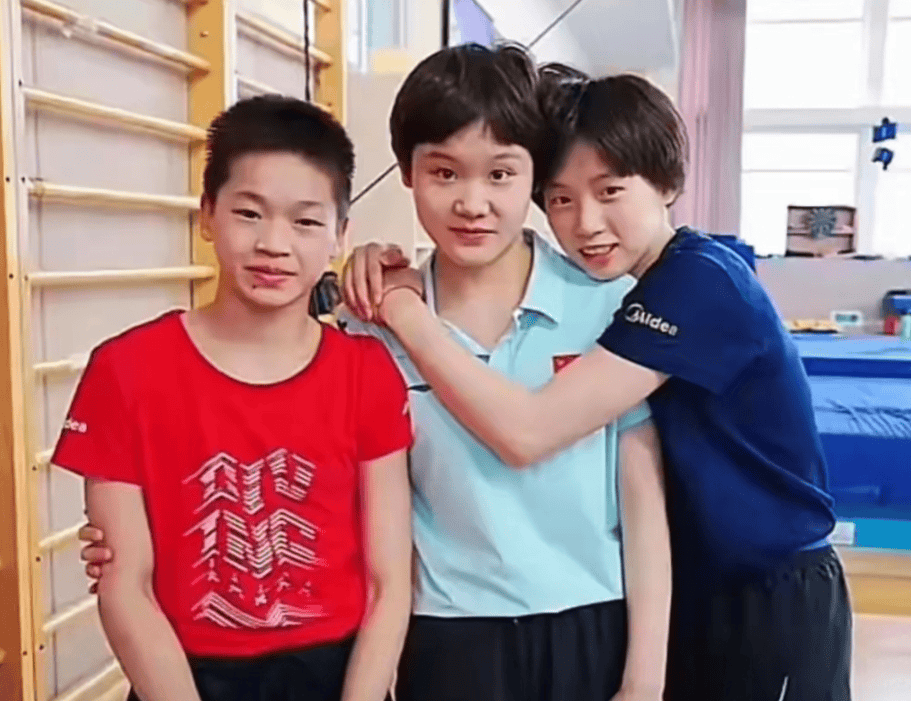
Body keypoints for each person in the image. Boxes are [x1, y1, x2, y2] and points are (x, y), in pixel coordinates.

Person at [78, 45, 672, 701]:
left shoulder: (608, 306)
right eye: (443, 172)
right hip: (444, 632)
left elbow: (642, 497)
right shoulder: (367, 330)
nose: (472, 202)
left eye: (500, 174)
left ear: (531, 174)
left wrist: (644, 677)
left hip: (592, 619)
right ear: (406, 173)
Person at [351, 66, 852, 701]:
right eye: (561, 199)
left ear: (668, 182)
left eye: (610, 190)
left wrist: (405, 312)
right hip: (685, 586)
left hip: (769, 585)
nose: (586, 222)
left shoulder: (688, 285)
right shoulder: (638, 291)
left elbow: (529, 432)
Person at [52, 96, 413, 701]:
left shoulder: (367, 372)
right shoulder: (125, 370)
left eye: (305, 222)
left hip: (337, 674)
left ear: (339, 236)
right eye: (249, 213)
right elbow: (125, 585)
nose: (274, 244)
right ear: (206, 215)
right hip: (181, 675)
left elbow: (388, 582)